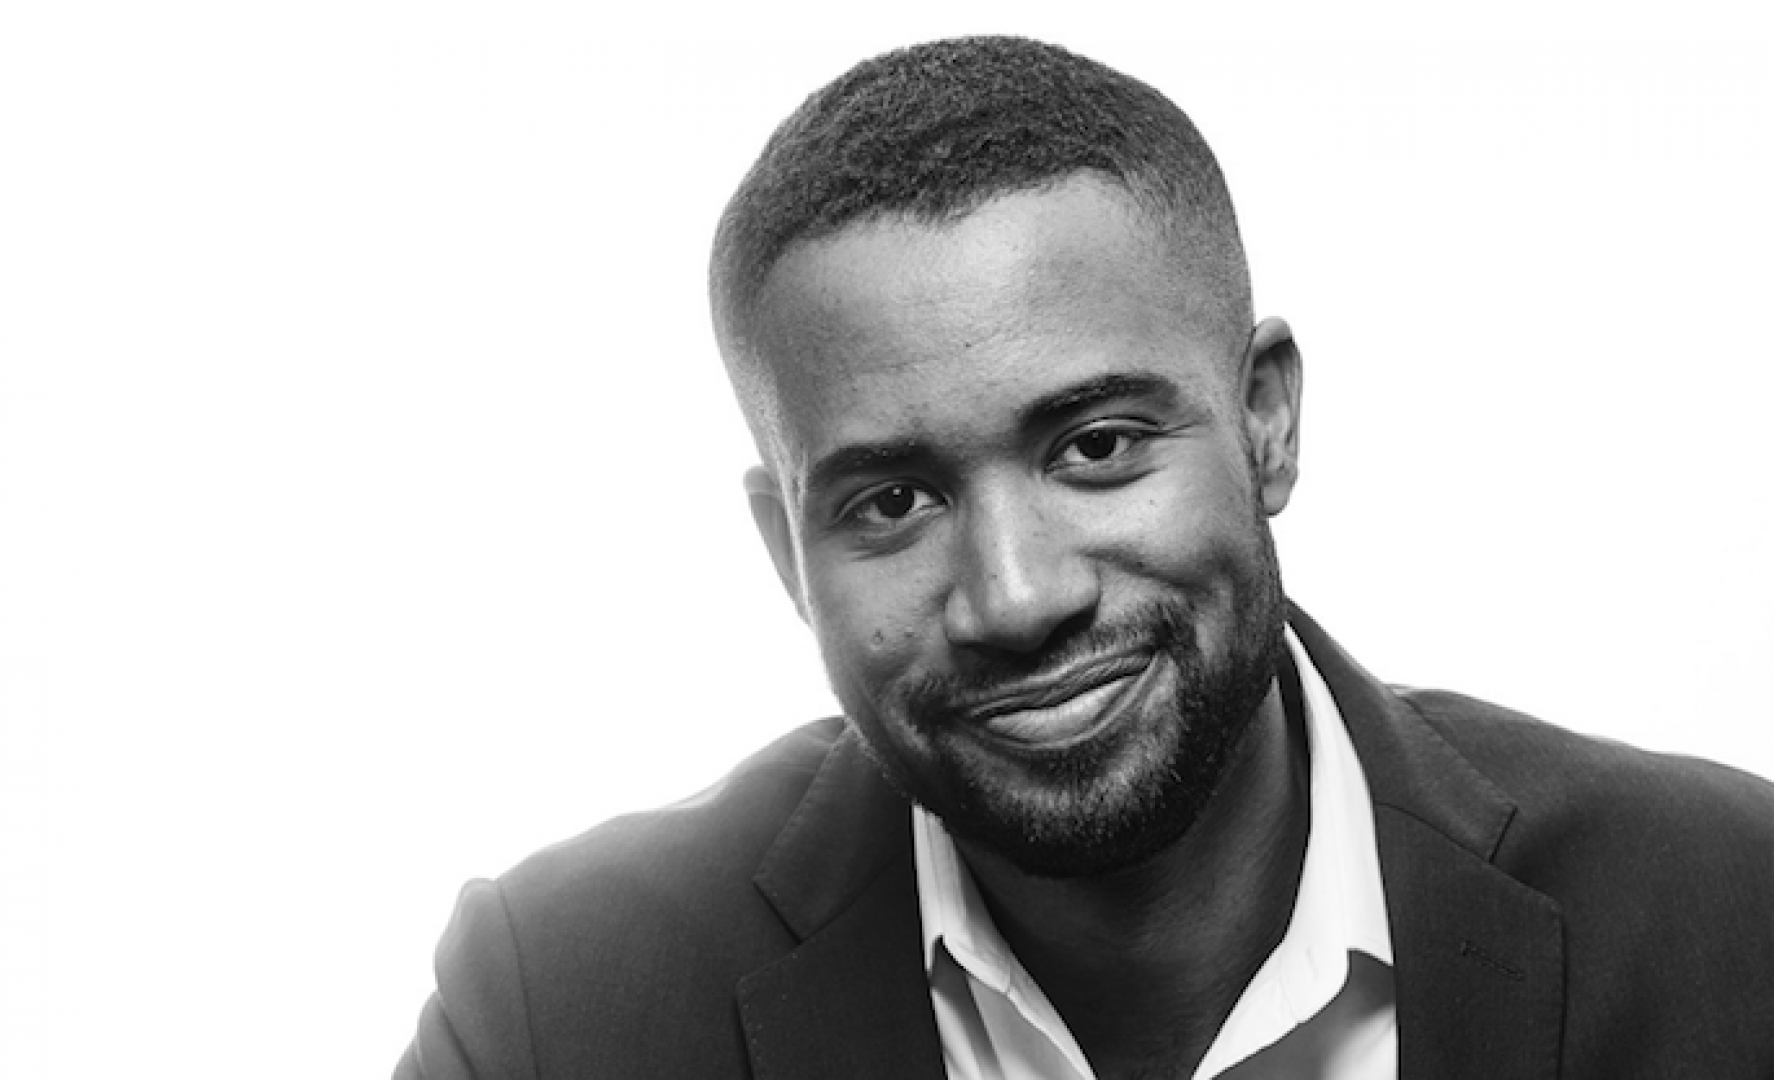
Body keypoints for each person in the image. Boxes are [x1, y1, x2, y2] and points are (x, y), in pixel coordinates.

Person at [395, 36, 1774, 1079]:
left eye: (1096, 445)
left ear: (1265, 421)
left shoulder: (1735, 915)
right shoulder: (554, 1009)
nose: (1016, 596)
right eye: (891, 502)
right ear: (786, 550)